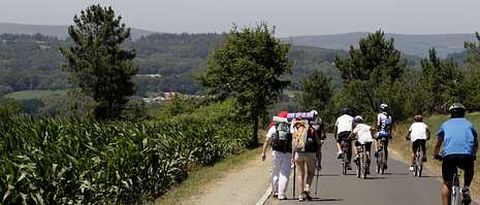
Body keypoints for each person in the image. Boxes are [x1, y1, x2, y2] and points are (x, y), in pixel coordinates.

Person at [433, 103, 478, 205]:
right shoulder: (469, 124)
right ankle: (466, 188)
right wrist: (473, 154)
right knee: (469, 168)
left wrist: (435, 154)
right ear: (463, 113)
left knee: (446, 184)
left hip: (449, 156)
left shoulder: (445, 124)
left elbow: (438, 143)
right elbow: (475, 142)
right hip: (466, 155)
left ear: (451, 114)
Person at [261, 111, 292, 200]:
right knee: (284, 174)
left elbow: (267, 140)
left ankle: (275, 191)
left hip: (276, 153)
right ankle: (281, 194)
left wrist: (263, 152)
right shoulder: (291, 128)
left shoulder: (274, 128)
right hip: (287, 153)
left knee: (275, 172)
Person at [291, 117, 320, 201]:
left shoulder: (297, 129)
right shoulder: (312, 130)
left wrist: (292, 157)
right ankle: (307, 188)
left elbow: (294, 144)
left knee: (300, 174)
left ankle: (300, 195)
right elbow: (318, 143)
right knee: (310, 173)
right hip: (311, 154)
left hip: (299, 154)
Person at [374, 103, 393, 169]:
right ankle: (385, 161)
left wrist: (377, 130)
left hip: (381, 133)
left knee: (375, 138)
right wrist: (390, 134)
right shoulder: (389, 117)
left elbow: (378, 124)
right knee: (385, 148)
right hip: (387, 134)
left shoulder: (380, 115)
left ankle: (376, 149)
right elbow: (390, 126)